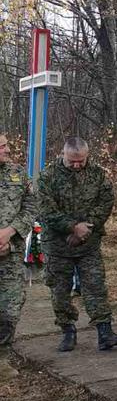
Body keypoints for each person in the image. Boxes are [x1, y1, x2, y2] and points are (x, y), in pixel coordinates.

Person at [37, 137, 117, 354]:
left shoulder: (97, 174)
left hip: (88, 243)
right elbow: (46, 210)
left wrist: (86, 228)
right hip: (58, 246)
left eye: (81, 161)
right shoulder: (47, 176)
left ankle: (105, 331)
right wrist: (71, 227)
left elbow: (106, 202)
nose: (77, 165)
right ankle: (68, 330)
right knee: (60, 291)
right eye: (72, 161)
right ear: (63, 155)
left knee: (96, 286)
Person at [0, 134, 36, 379]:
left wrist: (10, 232)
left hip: (10, 253)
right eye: (1, 146)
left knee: (10, 308)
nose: (6, 149)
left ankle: (2, 358)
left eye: (5, 145)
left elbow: (32, 205)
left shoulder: (18, 174)